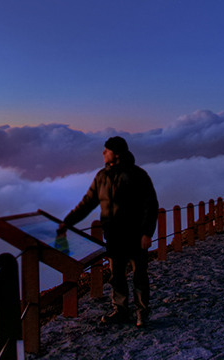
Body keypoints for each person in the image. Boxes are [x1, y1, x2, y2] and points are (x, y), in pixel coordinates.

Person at [58, 136, 159, 327]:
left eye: (107, 150)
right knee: (116, 276)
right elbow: (87, 202)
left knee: (139, 275)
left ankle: (142, 313)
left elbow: (150, 204)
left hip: (135, 235)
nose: (103, 153)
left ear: (117, 153)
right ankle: (120, 310)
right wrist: (68, 222)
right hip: (113, 236)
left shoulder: (137, 175)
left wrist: (147, 233)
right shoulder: (101, 177)